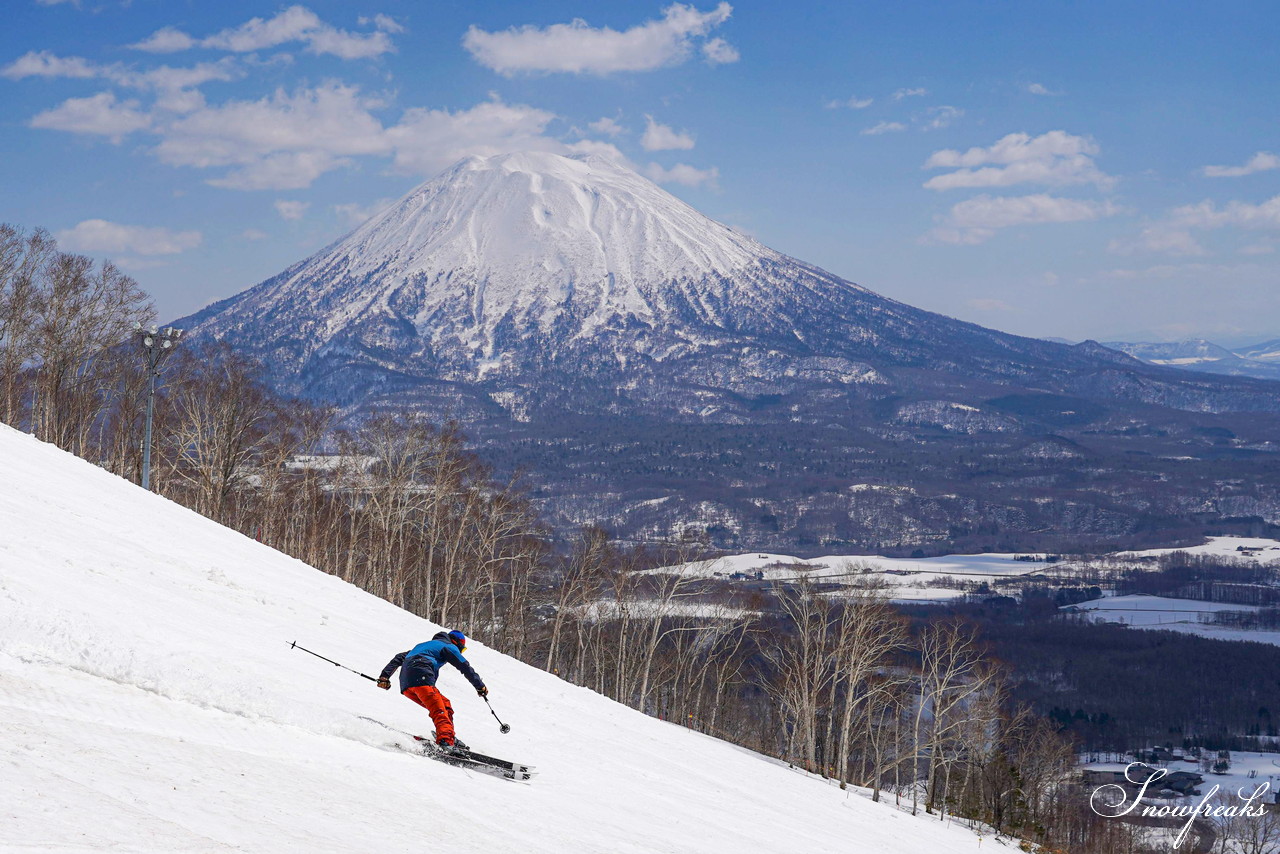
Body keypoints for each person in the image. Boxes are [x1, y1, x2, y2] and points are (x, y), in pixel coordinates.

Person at [377, 629, 488, 749]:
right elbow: (464, 666)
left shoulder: (425, 646)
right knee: (439, 709)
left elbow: (399, 658)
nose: (461, 652)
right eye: (462, 649)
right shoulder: (449, 646)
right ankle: (445, 741)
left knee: (445, 705)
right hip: (422, 678)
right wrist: (480, 686)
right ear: (457, 643)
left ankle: (448, 734)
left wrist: (384, 677)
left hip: (407, 685)